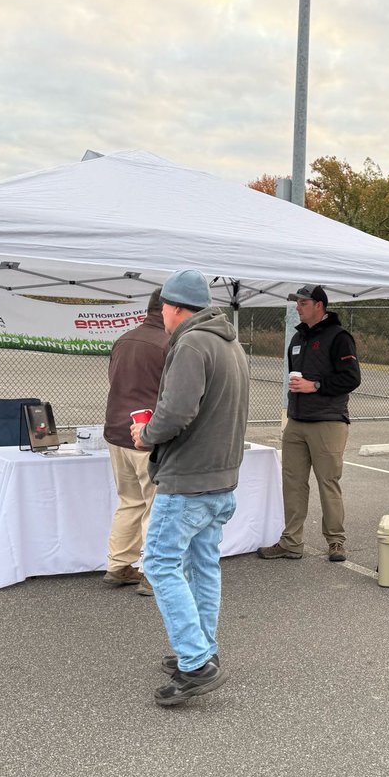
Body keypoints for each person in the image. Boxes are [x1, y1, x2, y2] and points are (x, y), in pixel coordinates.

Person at [132, 269, 248, 706]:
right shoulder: (229, 343)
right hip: (221, 480)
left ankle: (196, 661)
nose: (161, 314)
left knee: (160, 564)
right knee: (204, 566)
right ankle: (202, 648)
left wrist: (147, 435)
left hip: (189, 481)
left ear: (177, 307)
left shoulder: (192, 343)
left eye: (163, 306)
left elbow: (177, 411)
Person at [257, 283, 361, 563]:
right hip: (297, 421)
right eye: (297, 303)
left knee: (328, 482)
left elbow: (351, 379)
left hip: (328, 421)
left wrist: (315, 385)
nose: (298, 307)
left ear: (319, 306)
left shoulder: (339, 337)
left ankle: (336, 541)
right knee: (292, 483)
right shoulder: (297, 338)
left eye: (303, 303)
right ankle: (291, 542)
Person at [101, 289, 168, 596]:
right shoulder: (170, 343)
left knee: (129, 500)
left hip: (116, 432)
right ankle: (151, 574)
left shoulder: (124, 339)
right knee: (157, 505)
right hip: (147, 437)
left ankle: (118, 565)